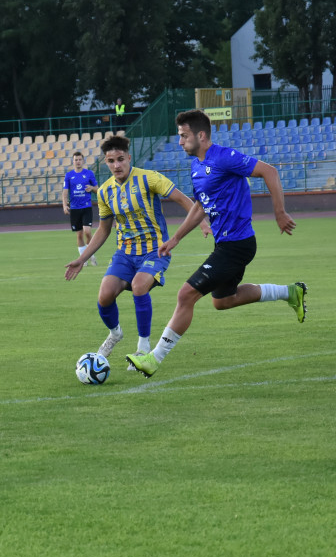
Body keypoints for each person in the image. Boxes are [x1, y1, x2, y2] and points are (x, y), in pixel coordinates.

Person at [127, 109, 307, 377]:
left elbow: (270, 172)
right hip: (225, 245)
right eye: (179, 136)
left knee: (185, 294)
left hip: (237, 245)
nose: (180, 142)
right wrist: (176, 238)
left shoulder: (223, 157)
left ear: (201, 135)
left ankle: (154, 359)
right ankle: (291, 292)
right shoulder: (196, 165)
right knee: (223, 301)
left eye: (184, 136)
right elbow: (201, 204)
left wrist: (279, 212)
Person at [65, 135, 208, 367]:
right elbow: (103, 230)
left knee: (140, 286)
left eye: (120, 159)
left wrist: (201, 221)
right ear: (106, 163)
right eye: (111, 161)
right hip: (125, 254)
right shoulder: (103, 192)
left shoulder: (148, 178)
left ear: (128, 157)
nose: (116, 165)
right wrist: (82, 258)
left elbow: (182, 198)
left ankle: (143, 347)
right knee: (104, 295)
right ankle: (115, 334)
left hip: (155, 251)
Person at [61, 151, 99, 266]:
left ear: (83, 161)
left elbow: (98, 189)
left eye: (79, 159)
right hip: (75, 208)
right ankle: (84, 259)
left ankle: (90, 253)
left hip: (86, 207)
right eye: (76, 160)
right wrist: (64, 204)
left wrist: (92, 188)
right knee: (79, 235)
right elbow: (65, 192)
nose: (78, 162)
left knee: (87, 232)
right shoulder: (69, 175)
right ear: (73, 161)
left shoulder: (89, 174)